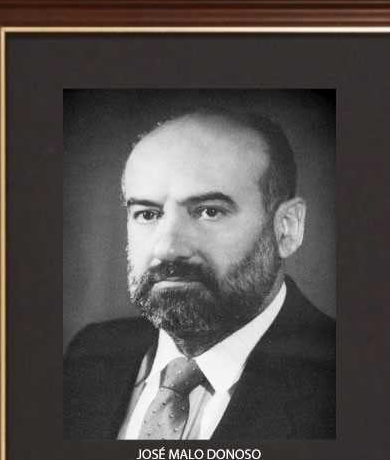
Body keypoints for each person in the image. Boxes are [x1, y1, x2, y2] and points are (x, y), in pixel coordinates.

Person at [63, 109, 335, 440]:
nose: (167, 248)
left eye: (209, 211)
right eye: (147, 214)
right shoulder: (89, 354)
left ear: (287, 228)